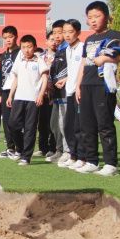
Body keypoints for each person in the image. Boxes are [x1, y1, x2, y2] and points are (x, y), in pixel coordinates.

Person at [75, 1, 120, 176]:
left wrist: (106, 59)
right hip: (87, 86)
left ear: (106, 17)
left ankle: (111, 164)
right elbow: (83, 63)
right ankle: (92, 161)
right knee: (87, 125)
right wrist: (78, 85)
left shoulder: (115, 35)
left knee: (105, 124)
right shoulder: (89, 39)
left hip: (103, 86)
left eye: (97, 16)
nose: (93, 20)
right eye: (90, 17)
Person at [6, 35, 49, 166]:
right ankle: (20, 148)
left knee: (30, 128)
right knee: (13, 124)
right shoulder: (20, 60)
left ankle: (26, 156)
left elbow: (45, 78)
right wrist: (10, 95)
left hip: (33, 99)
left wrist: (41, 95)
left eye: (29, 47)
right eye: (24, 47)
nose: (26, 50)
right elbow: (16, 79)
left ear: (34, 47)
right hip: (19, 97)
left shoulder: (39, 60)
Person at [59, 19, 85, 170]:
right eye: (65, 32)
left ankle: (82, 157)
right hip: (69, 91)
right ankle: (73, 155)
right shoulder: (67, 49)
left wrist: (79, 86)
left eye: (70, 32)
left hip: (79, 92)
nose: (67, 35)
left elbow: (83, 69)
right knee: (68, 126)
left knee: (79, 126)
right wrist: (66, 79)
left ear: (78, 33)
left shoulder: (82, 48)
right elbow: (73, 70)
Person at [0, 26, 20, 157]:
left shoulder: (20, 52)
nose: (8, 40)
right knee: (7, 120)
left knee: (15, 121)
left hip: (17, 90)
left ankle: (19, 148)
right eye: (5, 38)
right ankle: (10, 148)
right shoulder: (3, 55)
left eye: (10, 37)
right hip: (4, 90)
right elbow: (0, 74)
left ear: (16, 37)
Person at [46, 19, 69, 164]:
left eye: (59, 32)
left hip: (67, 93)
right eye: (54, 33)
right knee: (55, 124)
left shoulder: (70, 49)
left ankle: (68, 152)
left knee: (64, 123)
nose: (56, 36)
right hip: (56, 94)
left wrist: (67, 78)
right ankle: (59, 150)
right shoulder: (59, 50)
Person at [34, 31, 57, 157]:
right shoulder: (40, 57)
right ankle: (42, 147)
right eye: (51, 39)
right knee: (42, 122)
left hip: (55, 94)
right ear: (46, 41)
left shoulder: (60, 56)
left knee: (52, 123)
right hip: (41, 93)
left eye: (55, 39)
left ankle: (53, 148)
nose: (54, 42)